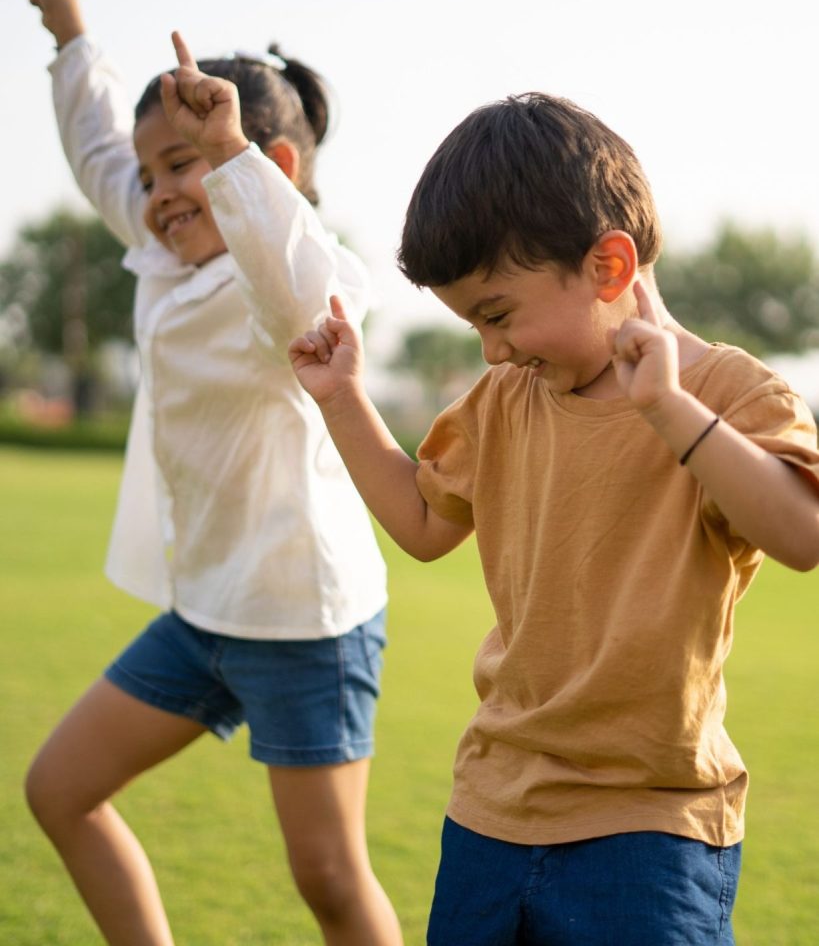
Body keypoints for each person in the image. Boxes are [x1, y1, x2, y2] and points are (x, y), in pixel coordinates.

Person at [288, 89, 819, 944]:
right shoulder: (506, 398)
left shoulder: (728, 395)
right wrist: (344, 399)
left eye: (497, 315)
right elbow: (424, 529)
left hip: (650, 828)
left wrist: (670, 411)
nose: (492, 349)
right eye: (473, 326)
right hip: (491, 808)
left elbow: (801, 537)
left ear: (608, 268)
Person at [23, 0, 402, 946]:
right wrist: (71, 35)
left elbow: (308, 290)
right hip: (205, 613)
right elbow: (103, 151)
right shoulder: (163, 253)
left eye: (181, 164)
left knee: (327, 875)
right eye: (153, 176)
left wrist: (227, 159)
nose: (155, 194)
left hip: (303, 620)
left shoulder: (281, 279)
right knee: (58, 789)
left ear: (266, 166)